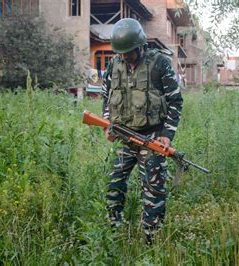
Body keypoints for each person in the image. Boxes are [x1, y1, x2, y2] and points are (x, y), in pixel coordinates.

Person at [101, 18, 183, 243]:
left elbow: (175, 102)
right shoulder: (114, 65)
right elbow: (106, 96)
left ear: (140, 45)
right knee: (114, 184)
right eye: (121, 52)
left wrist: (167, 135)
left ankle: (151, 238)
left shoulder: (159, 64)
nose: (125, 56)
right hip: (124, 137)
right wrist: (108, 122)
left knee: (153, 190)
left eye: (129, 52)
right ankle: (114, 232)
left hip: (152, 137)